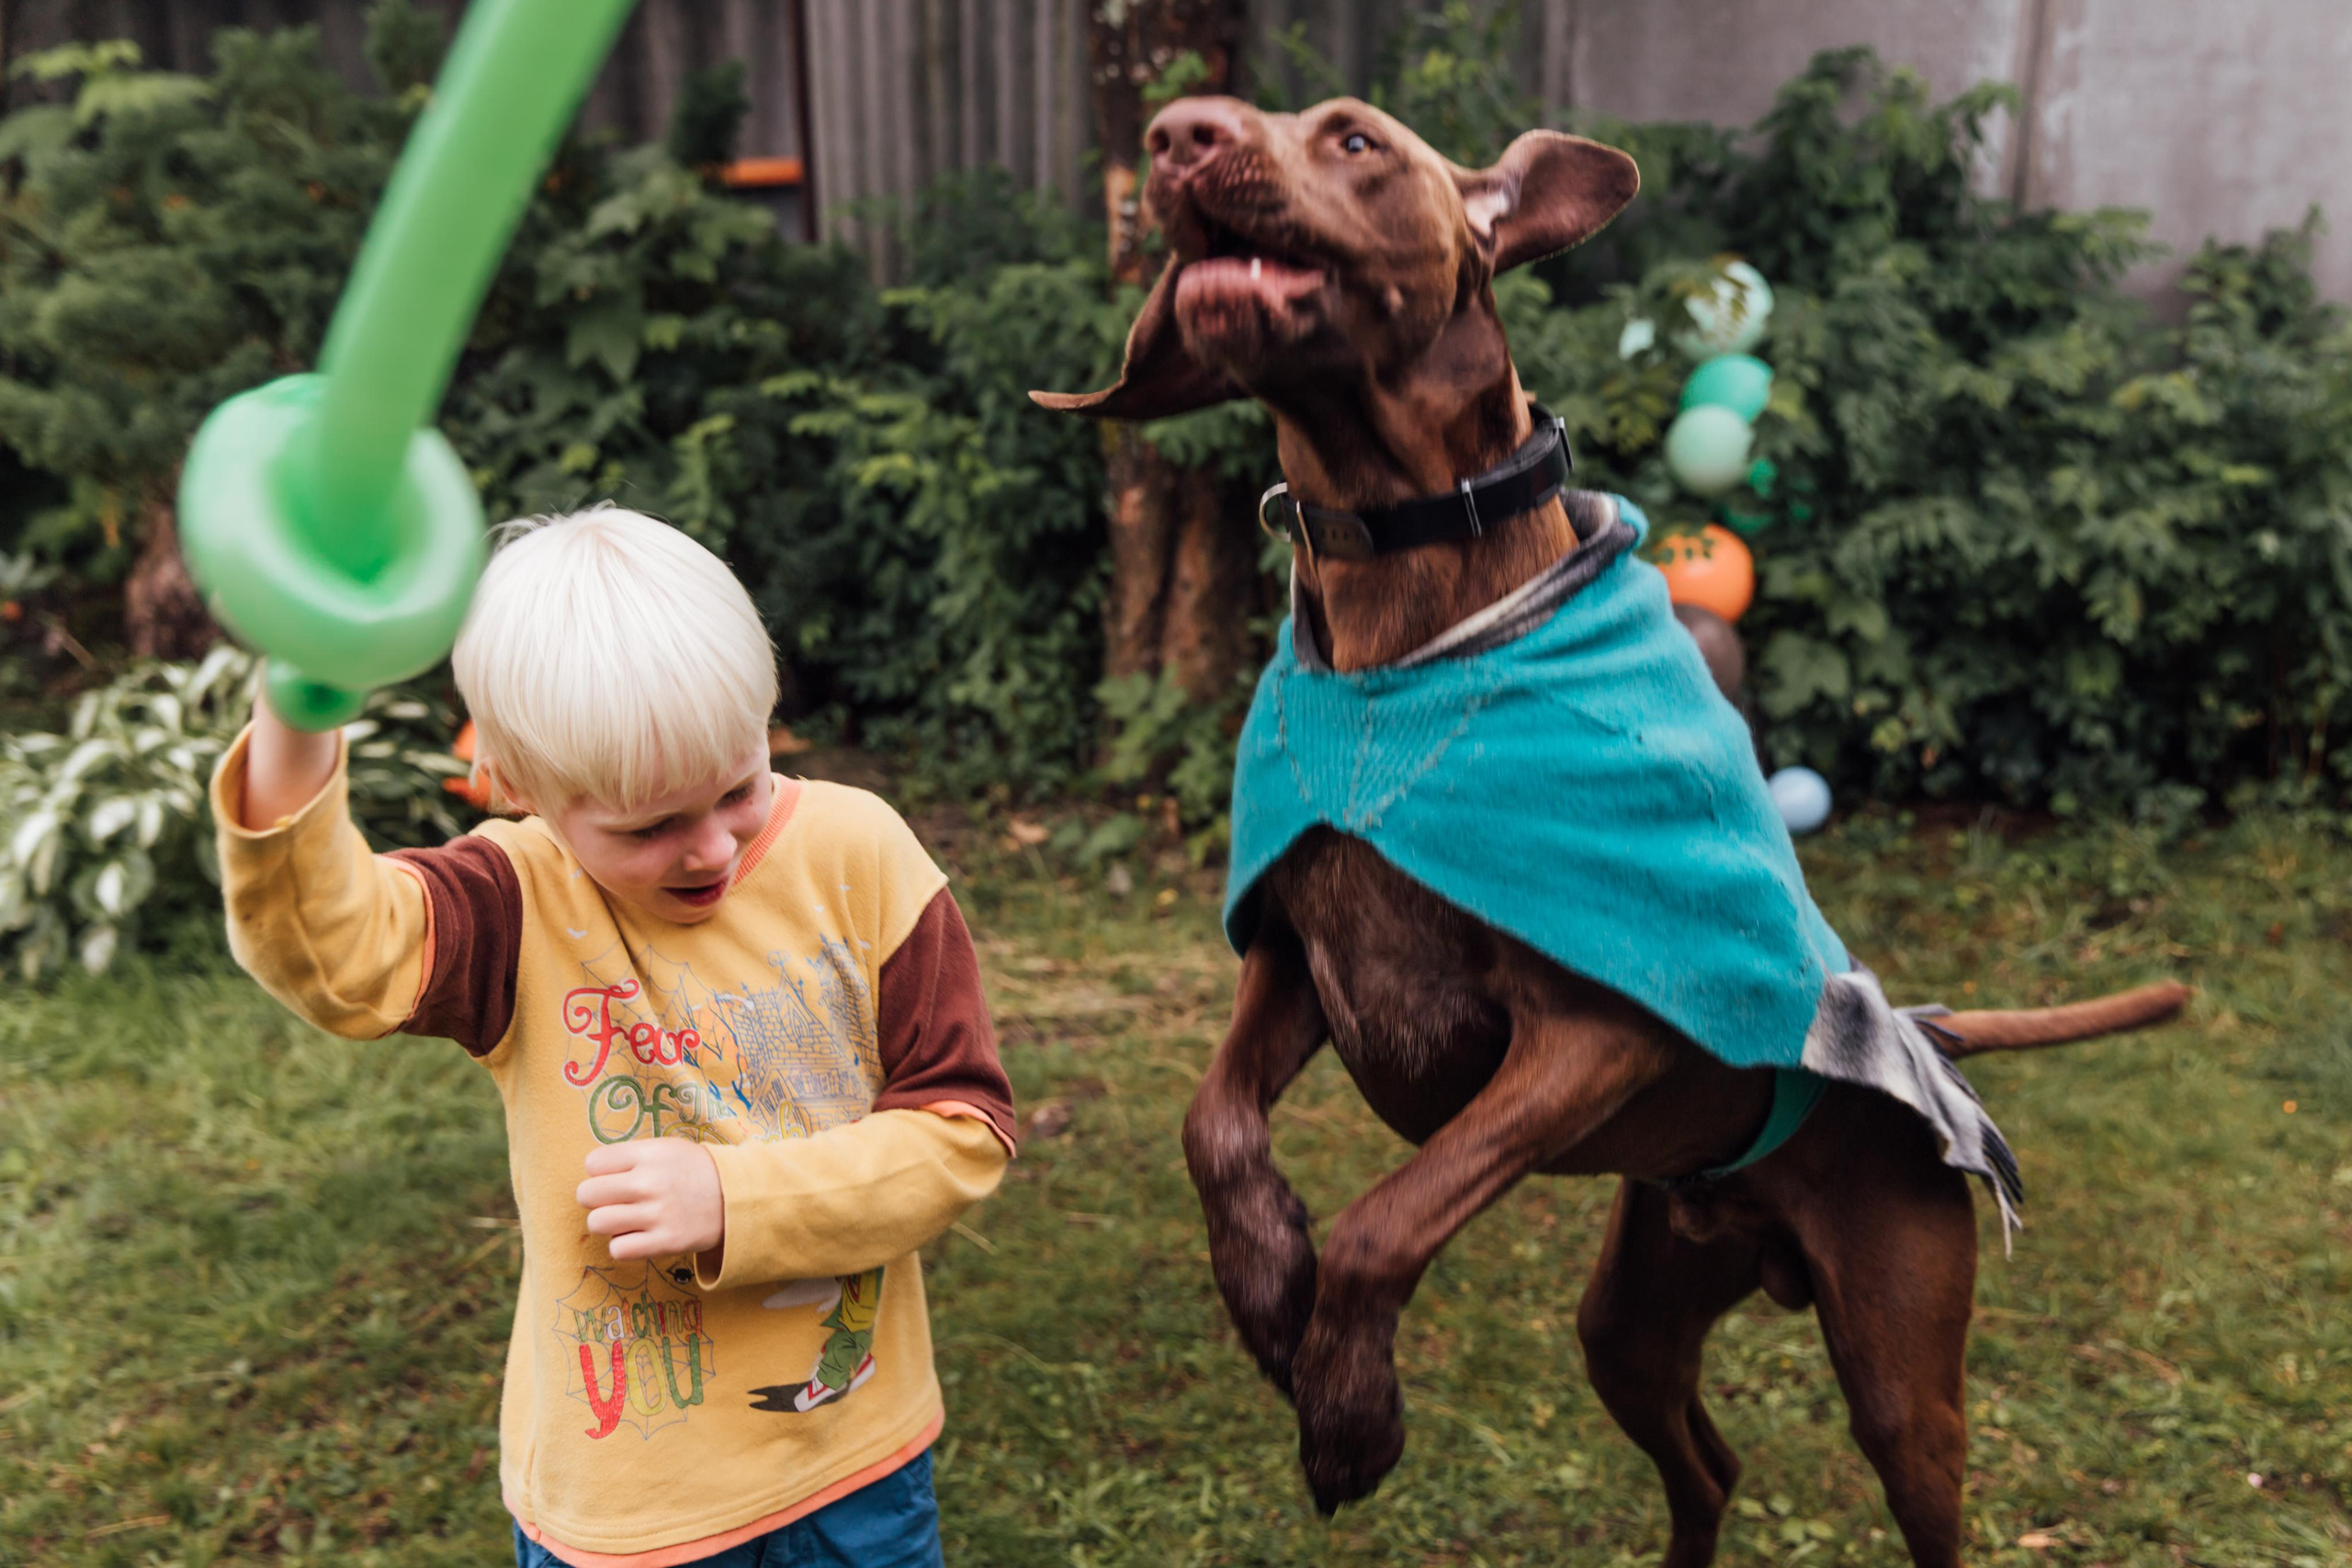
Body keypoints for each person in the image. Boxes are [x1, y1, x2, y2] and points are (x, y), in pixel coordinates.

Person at [212, 508, 1016, 1567]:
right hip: (632, 1512)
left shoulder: (860, 855)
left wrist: (735, 1201)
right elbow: (336, 953)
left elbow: (964, 1128)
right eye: (647, 828)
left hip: (855, 1462)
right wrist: (296, 719)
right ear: (518, 788)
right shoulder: (513, 902)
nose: (712, 847)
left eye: (739, 787)